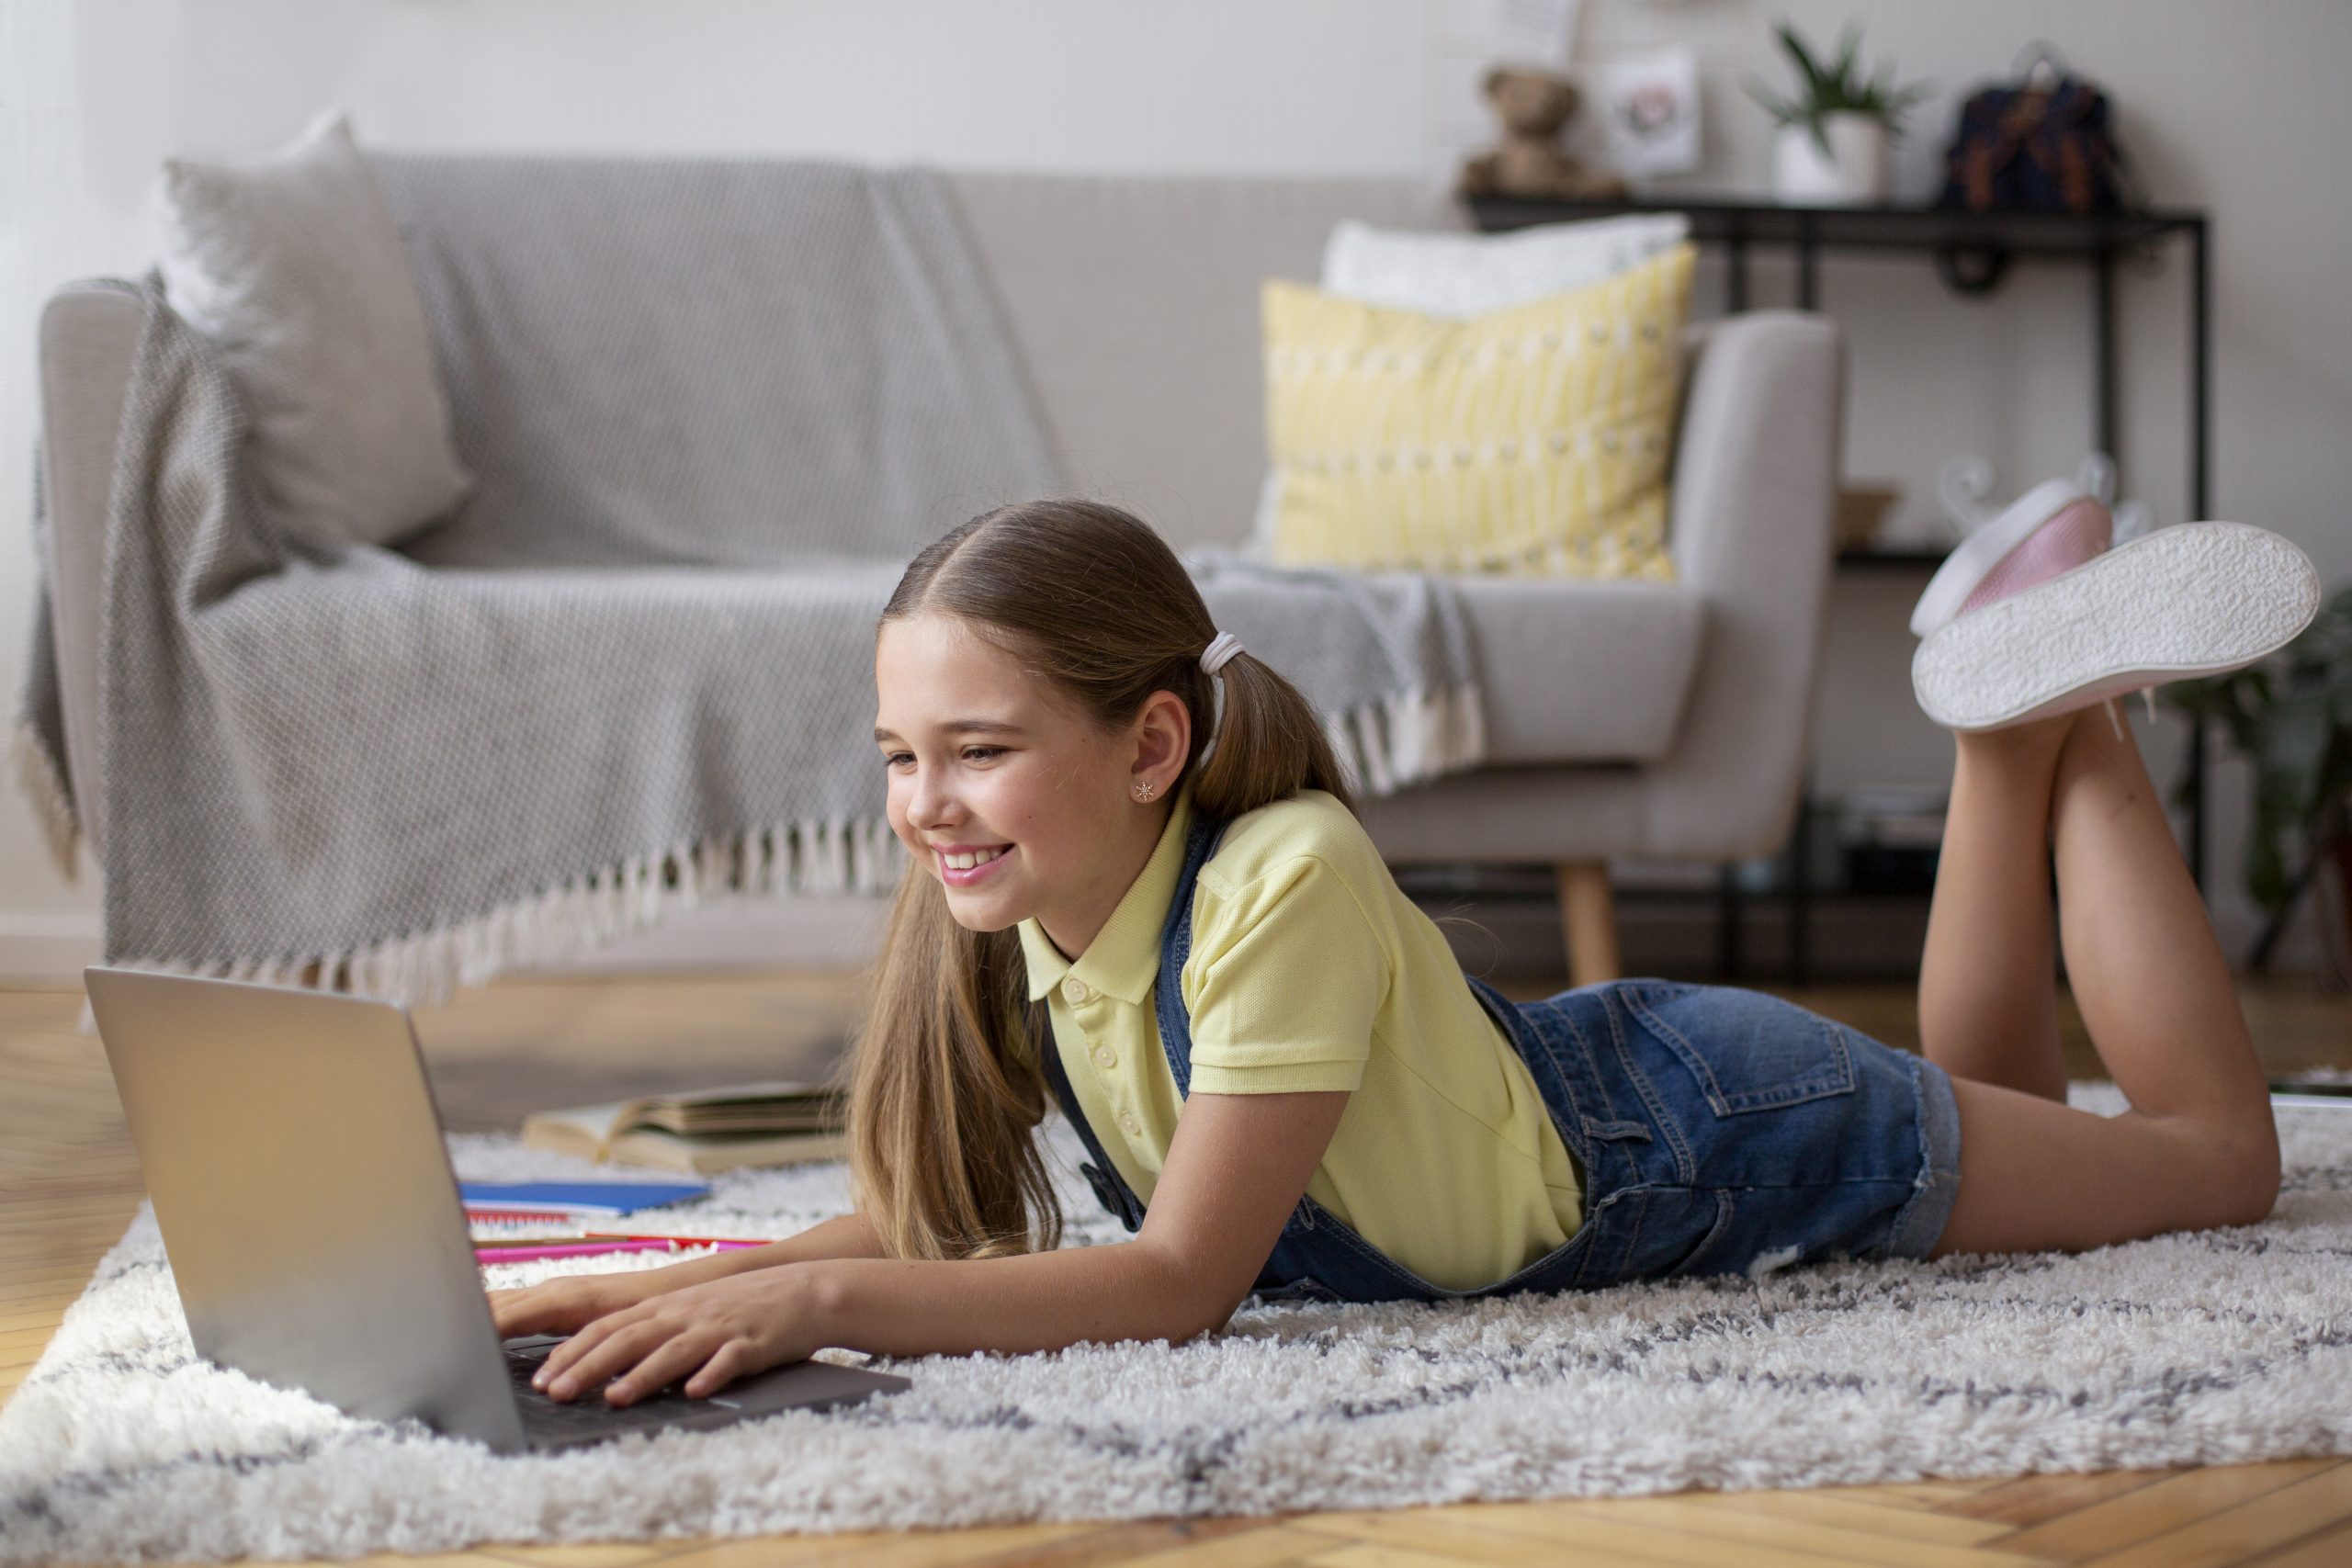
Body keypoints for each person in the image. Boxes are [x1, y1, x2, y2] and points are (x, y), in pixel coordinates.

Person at [488, 494, 2319, 1410]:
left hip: (1704, 1126)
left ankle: (2057, 714)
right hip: (1637, 1107)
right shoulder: (1019, 904)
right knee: (1998, 1107)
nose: (924, 803)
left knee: (2208, 1171)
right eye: (899, 755)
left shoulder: (1280, 874)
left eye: (975, 749)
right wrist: (687, 1271)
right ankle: (2009, 718)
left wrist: (813, 1306)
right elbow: (964, 1225)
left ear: (1148, 745)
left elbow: (1177, 1277)